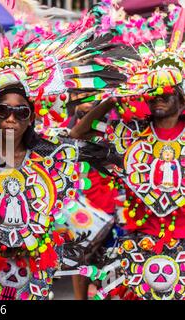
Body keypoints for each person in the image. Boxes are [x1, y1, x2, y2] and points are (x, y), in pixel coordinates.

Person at [0, 22, 126, 300]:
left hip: (33, 273)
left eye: (20, 112)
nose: (11, 118)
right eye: (4, 110)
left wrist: (112, 100)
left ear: (31, 116)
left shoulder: (48, 154)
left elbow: (80, 143)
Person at [69, 7, 185, 298]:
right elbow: (79, 133)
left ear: (180, 97)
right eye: (152, 90)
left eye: (166, 91)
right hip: (138, 243)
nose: (157, 95)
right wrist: (113, 97)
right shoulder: (130, 133)